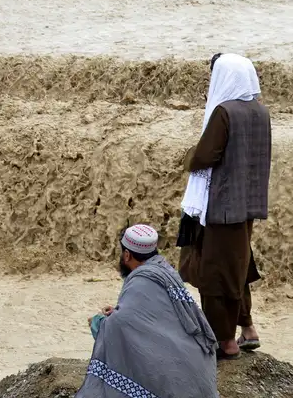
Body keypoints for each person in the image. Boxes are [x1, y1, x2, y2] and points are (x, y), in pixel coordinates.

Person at [177, 52, 271, 359]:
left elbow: (205, 156)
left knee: (215, 274)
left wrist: (189, 154)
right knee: (238, 267)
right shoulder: (260, 111)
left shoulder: (224, 112)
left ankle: (224, 343)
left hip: (220, 207)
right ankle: (248, 328)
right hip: (246, 205)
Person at [78, 225, 219, 398]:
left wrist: (97, 321)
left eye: (123, 253)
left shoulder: (140, 280)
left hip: (177, 388)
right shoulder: (166, 271)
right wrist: (119, 312)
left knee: (106, 332)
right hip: (201, 377)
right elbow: (157, 317)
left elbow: (117, 327)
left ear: (127, 255)